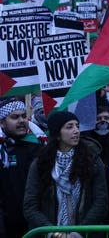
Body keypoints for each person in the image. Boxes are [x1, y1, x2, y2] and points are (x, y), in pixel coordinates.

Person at [24, 111, 107, 230]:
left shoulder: (92, 160)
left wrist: (80, 231)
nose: (76, 131)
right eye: (69, 127)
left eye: (77, 126)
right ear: (57, 134)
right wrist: (53, 232)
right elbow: (30, 206)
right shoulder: (41, 163)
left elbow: (101, 202)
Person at [0, 99, 44, 237]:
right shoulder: (2, 152)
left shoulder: (39, 146)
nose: (21, 120)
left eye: (24, 116)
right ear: (2, 123)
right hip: (8, 225)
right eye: (14, 117)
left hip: (39, 222)